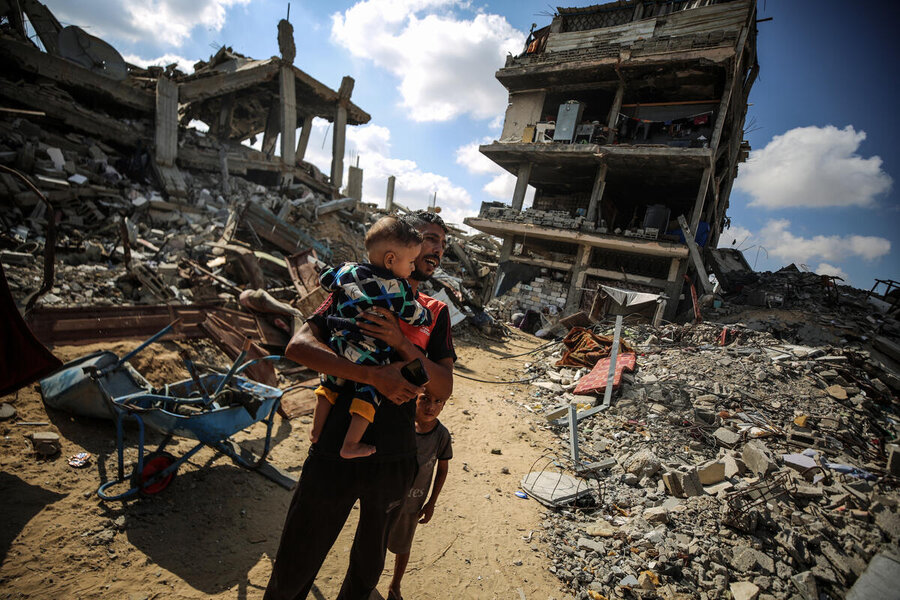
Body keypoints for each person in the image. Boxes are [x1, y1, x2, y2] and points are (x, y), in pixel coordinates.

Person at [264, 211, 455, 600]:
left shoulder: (434, 312)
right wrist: (371, 376)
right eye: (428, 238)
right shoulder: (354, 289)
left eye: (442, 243)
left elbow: (444, 386)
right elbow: (298, 347)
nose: (436, 248)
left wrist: (401, 343)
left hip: (394, 452)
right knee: (297, 559)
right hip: (337, 446)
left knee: (367, 568)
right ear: (398, 249)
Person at [311, 216, 433, 459]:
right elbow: (414, 315)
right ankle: (351, 444)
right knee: (369, 394)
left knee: (327, 386)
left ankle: (315, 432)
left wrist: (327, 274)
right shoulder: (396, 289)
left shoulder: (348, 271)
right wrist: (426, 315)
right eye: (410, 262)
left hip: (339, 345)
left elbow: (325, 279)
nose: (411, 268)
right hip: (369, 355)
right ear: (391, 260)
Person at [385, 392, 452, 600]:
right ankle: (365, 581)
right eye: (425, 399)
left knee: (403, 545)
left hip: (413, 503)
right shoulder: (401, 426)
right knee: (374, 541)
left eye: (437, 401)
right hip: (386, 498)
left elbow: (442, 469)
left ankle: (395, 585)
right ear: (414, 399)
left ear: (444, 405)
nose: (430, 406)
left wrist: (431, 502)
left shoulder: (441, 435)